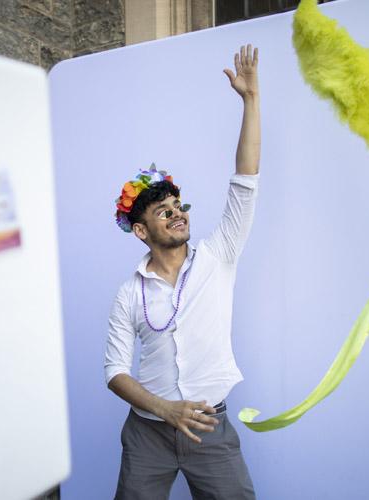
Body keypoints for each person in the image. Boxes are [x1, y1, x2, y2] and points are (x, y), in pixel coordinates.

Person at [104, 44, 261, 500]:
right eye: (162, 210)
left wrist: (250, 101)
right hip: (147, 435)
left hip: (211, 428)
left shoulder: (219, 255)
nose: (176, 214)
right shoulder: (127, 293)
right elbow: (115, 371)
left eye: (179, 206)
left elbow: (245, 180)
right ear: (140, 230)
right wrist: (165, 411)